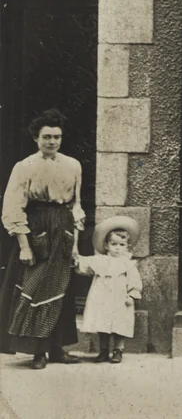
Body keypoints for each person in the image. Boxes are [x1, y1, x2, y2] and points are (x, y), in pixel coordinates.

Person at [0, 109, 85, 369]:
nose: (52, 142)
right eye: (46, 136)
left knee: (62, 290)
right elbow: (13, 207)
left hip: (64, 227)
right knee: (35, 288)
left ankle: (57, 348)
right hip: (38, 227)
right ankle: (37, 351)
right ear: (36, 138)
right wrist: (24, 245)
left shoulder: (73, 165)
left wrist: (75, 246)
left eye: (57, 137)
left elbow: (76, 205)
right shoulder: (25, 167)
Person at [75, 216, 142, 364]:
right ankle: (103, 351)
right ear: (106, 245)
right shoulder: (100, 261)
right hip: (102, 298)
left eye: (121, 244)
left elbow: (134, 281)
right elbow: (84, 265)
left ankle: (118, 350)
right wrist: (76, 259)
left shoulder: (128, 264)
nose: (117, 248)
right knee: (102, 324)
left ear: (127, 246)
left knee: (119, 324)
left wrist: (132, 294)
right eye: (113, 244)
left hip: (120, 299)